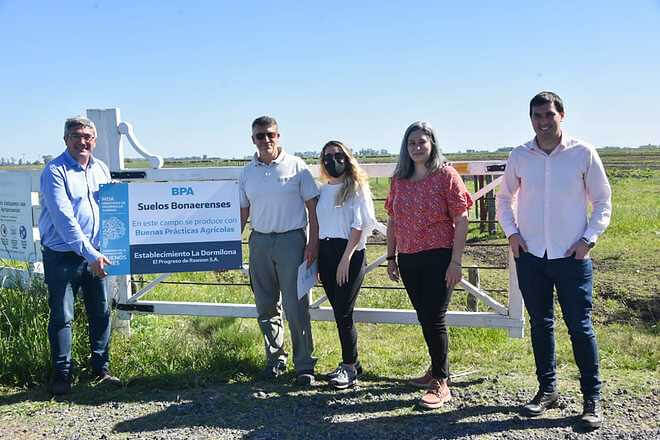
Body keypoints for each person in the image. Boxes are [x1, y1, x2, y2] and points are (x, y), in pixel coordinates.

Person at [496, 91, 612, 430]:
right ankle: (547, 390)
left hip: (571, 256)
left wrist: (588, 239)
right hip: (531, 255)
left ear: (562, 115)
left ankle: (592, 398)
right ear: (530, 119)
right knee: (540, 324)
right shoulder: (520, 155)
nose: (543, 122)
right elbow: (504, 199)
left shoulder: (582, 153)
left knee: (580, 327)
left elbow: (603, 202)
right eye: (537, 116)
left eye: (549, 115)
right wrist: (512, 234)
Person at [385, 121, 473, 408]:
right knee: (425, 316)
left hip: (439, 256)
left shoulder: (446, 175)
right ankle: (436, 369)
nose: (417, 147)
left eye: (422, 142)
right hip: (409, 258)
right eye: (411, 143)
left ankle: (442, 382)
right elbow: (393, 220)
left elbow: (461, 219)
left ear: (432, 143)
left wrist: (456, 262)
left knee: (435, 318)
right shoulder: (399, 178)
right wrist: (390, 256)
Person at [39, 116, 120, 395]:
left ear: (94, 140)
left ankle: (101, 369)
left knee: (101, 311)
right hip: (63, 256)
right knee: (62, 315)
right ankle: (62, 374)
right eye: (76, 136)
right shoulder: (54, 172)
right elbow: (64, 219)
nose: (82, 141)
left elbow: (110, 209)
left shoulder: (101, 169)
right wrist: (90, 253)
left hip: (96, 254)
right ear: (66, 140)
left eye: (88, 136)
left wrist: (108, 248)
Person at [238, 116, 318, 386]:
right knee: (266, 305)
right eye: (260, 136)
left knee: (296, 306)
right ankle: (275, 359)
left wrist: (312, 242)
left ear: (279, 136)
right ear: (253, 140)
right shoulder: (247, 172)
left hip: (291, 241)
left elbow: (313, 209)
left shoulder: (297, 166)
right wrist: (228, 248)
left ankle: (304, 364)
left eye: (270, 134)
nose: (266, 140)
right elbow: (242, 212)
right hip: (259, 241)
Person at [316, 141, 377, 389]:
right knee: (338, 311)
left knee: (344, 312)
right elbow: (319, 224)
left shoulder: (357, 187)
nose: (333, 160)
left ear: (347, 157)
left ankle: (349, 367)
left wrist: (345, 259)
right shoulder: (323, 190)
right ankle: (353, 362)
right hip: (326, 252)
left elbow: (360, 224)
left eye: (338, 154)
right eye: (327, 156)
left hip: (348, 253)